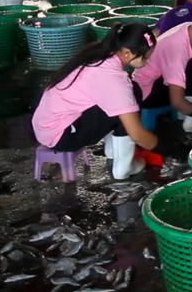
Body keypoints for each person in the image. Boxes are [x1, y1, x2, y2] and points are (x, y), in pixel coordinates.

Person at [31, 22, 177, 180]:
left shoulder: (100, 54)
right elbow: (137, 134)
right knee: (130, 102)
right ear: (127, 53)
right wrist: (172, 149)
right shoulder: (113, 79)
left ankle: (113, 151)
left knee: (129, 96)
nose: (148, 61)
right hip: (61, 136)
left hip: (45, 125)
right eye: (146, 56)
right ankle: (124, 168)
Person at [132, 7, 192, 133]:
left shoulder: (191, 28)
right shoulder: (177, 48)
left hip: (161, 81)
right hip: (147, 92)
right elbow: (177, 102)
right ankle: (190, 121)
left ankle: (191, 111)